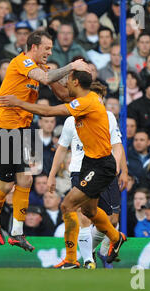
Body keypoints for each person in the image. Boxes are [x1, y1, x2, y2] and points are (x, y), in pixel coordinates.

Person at [0, 70, 127, 268]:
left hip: (100, 165)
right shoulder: (86, 97)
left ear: (75, 82)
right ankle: (115, 237)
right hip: (89, 164)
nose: (66, 84)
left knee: (67, 205)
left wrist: (18, 102)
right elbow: (62, 94)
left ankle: (71, 258)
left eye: (68, 81)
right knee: (90, 211)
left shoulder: (87, 103)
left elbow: (49, 112)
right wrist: (49, 77)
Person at [0, 30, 90, 252]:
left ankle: (16, 232)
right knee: (6, 184)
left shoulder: (42, 69)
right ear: (33, 47)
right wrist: (72, 66)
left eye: (51, 49)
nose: (49, 52)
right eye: (47, 48)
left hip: (22, 130)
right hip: (2, 128)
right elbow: (44, 78)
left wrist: (77, 86)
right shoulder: (21, 62)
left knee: (26, 180)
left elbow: (62, 95)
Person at [45, 81, 127, 268]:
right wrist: (51, 174)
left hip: (104, 169)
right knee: (82, 213)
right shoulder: (71, 119)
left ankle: (100, 245)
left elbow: (117, 143)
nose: (96, 101)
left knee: (111, 218)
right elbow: (62, 148)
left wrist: (121, 168)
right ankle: (87, 260)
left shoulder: (107, 117)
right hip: (80, 169)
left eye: (99, 98)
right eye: (93, 97)